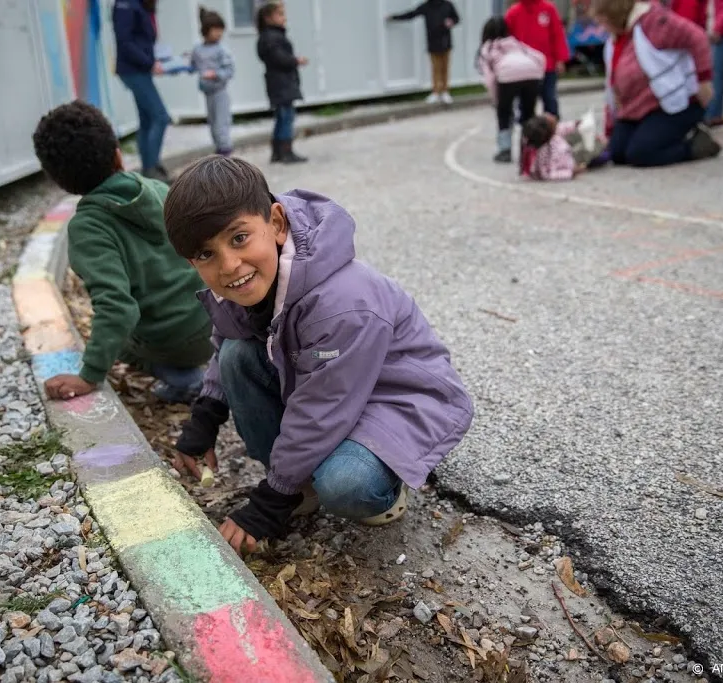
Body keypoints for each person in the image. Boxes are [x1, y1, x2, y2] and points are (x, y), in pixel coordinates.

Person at [162, 156, 474, 556]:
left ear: (276, 223)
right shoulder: (251, 279)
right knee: (238, 355)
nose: (229, 265)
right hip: (332, 389)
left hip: (396, 400)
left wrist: (269, 501)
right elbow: (228, 338)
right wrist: (205, 416)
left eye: (239, 238)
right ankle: (296, 484)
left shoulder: (342, 303)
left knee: (345, 484)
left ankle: (383, 486)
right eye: (206, 254)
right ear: (191, 261)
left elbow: (321, 407)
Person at [31, 101, 214, 405]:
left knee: (117, 342)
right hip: (215, 321)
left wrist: (89, 376)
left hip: (175, 342)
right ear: (117, 153)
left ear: (59, 180)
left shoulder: (88, 227)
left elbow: (117, 309)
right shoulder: (156, 188)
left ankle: (186, 380)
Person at [595, 0, 722, 167]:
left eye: (603, 21)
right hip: (637, 109)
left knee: (641, 154)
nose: (602, 27)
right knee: (617, 153)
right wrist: (610, 127)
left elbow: (697, 37)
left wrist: (704, 80)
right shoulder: (616, 39)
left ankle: (695, 146)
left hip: (672, 104)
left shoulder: (655, 22)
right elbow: (612, 85)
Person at [113, 0, 172, 184]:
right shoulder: (125, 4)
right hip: (134, 70)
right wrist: (149, 62)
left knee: (147, 120)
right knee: (160, 117)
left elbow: (141, 39)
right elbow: (124, 41)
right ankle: (151, 169)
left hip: (140, 70)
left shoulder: (138, 4)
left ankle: (150, 168)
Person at [476, 16, 546, 162]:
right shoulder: (515, 42)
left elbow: (489, 79)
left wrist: (497, 100)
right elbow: (539, 57)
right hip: (531, 72)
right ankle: (528, 148)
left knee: (504, 114)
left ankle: (505, 150)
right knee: (528, 113)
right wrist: (539, 74)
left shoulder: (487, 48)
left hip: (507, 75)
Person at [256, 2, 308, 164]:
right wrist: (295, 60)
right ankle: (286, 151)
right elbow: (279, 59)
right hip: (281, 84)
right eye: (279, 14)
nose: (283, 18)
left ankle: (277, 152)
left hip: (279, 84)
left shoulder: (271, 36)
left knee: (282, 117)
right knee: (286, 117)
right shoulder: (272, 37)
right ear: (268, 18)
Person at [386, 0, 461, 104]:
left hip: (445, 41)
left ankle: (445, 92)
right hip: (433, 42)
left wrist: (451, 22)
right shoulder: (426, 6)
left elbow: (457, 18)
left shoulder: (448, 5)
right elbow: (411, 14)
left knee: (445, 68)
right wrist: (394, 17)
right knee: (435, 68)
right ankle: (435, 92)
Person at [505, 0, 570, 117]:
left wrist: (560, 59)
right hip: (524, 69)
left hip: (547, 66)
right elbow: (507, 40)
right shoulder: (513, 13)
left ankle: (552, 131)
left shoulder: (548, 9)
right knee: (526, 105)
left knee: (550, 100)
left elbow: (557, 34)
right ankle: (527, 133)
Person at [189, 6, 235, 156]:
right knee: (213, 125)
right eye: (215, 30)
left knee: (222, 125)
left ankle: (226, 155)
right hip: (207, 93)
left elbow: (229, 70)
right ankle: (219, 153)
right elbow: (193, 66)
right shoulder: (198, 49)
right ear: (206, 30)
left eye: (220, 30)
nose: (219, 34)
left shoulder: (222, 50)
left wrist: (215, 74)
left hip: (220, 92)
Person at [519, 112, 609, 180]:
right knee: (603, 156)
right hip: (571, 162)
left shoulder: (551, 135)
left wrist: (575, 124)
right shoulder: (547, 153)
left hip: (567, 153)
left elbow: (563, 128)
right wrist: (571, 172)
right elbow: (548, 174)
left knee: (579, 134)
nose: (552, 116)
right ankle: (604, 144)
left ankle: (601, 142)